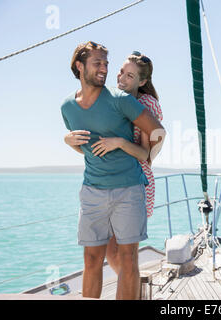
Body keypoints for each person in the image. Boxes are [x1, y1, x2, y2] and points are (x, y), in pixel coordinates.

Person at [60, 41, 165, 300]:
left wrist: (143, 157)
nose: (106, 69)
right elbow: (88, 147)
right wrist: (67, 141)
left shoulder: (123, 101)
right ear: (79, 66)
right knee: (93, 258)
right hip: (92, 191)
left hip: (130, 187)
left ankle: (134, 292)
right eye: (99, 63)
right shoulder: (67, 108)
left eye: (107, 64)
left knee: (128, 258)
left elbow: (158, 133)